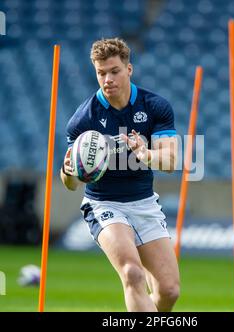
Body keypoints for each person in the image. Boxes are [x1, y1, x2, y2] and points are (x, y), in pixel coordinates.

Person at [60, 38, 179, 312]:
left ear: (129, 69)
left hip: (144, 203)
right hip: (104, 204)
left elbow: (171, 162)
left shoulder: (155, 107)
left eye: (114, 71)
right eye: (101, 73)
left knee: (169, 291)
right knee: (132, 273)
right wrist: (68, 172)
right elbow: (70, 184)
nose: (107, 79)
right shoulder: (83, 119)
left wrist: (146, 154)